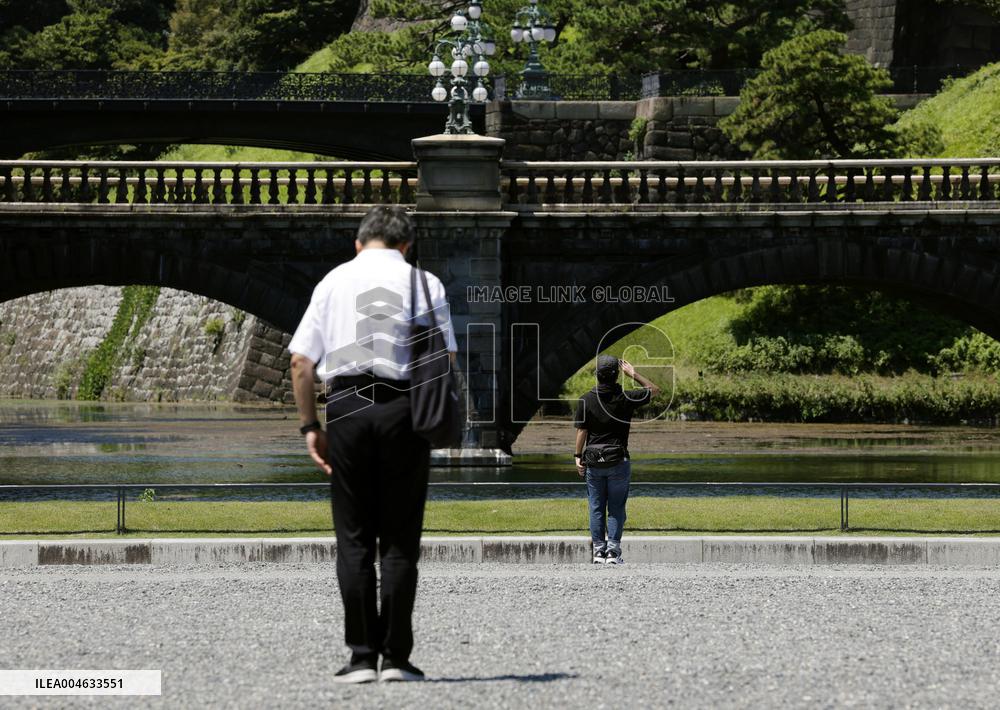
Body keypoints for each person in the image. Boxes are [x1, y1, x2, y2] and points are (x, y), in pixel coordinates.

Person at [288, 205, 457, 684]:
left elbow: (302, 362)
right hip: (406, 413)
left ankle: (361, 657)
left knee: (355, 539)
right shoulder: (427, 284)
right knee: (400, 541)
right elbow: (444, 358)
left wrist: (310, 427)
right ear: (407, 245)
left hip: (348, 410)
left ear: (359, 243)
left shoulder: (333, 281)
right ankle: (397, 659)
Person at [574, 355, 661, 565]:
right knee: (616, 507)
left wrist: (578, 457)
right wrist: (634, 374)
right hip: (619, 461)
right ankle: (613, 552)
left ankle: (598, 552)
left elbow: (582, 432)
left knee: (596, 507)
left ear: (597, 375)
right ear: (616, 375)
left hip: (594, 462)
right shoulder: (625, 398)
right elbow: (654, 390)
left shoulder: (586, 399)